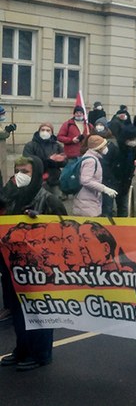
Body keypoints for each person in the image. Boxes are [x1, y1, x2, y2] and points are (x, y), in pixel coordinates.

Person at [0, 156, 67, 371]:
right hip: (13, 266)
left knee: (39, 312)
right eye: (17, 171)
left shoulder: (49, 199)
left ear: (37, 173)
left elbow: (65, 231)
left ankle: (41, 354)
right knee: (18, 312)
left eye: (26, 172)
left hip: (38, 268)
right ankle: (23, 348)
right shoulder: (12, 197)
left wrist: (41, 222)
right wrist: (10, 188)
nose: (21, 175)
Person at [73, 135, 118, 217]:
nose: (106, 147)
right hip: (87, 201)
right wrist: (104, 189)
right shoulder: (91, 160)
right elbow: (85, 180)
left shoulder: (91, 157)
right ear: (99, 148)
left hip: (88, 199)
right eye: (104, 146)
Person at [22, 123, 66, 195]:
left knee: (54, 203)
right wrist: (49, 160)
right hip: (37, 181)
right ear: (39, 131)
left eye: (48, 130)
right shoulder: (30, 145)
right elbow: (27, 161)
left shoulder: (57, 145)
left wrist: (60, 160)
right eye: (43, 130)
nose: (45, 132)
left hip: (53, 180)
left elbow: (64, 162)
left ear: (52, 133)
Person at [110, 126, 136, 217]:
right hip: (114, 181)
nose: (134, 141)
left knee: (123, 207)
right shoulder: (115, 148)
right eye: (132, 139)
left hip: (125, 181)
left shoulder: (131, 148)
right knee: (109, 207)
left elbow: (131, 162)